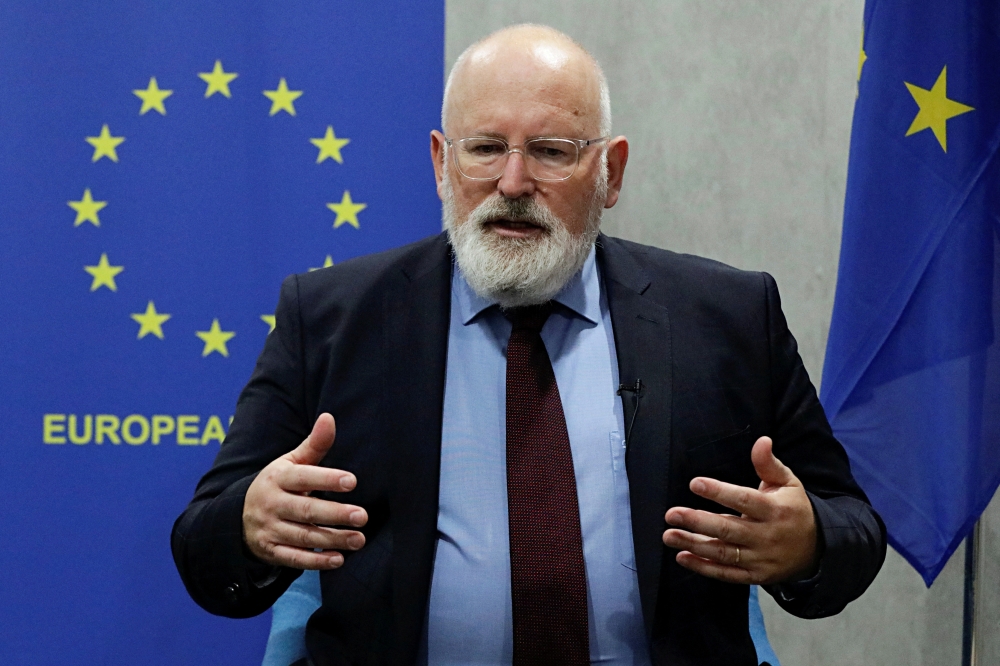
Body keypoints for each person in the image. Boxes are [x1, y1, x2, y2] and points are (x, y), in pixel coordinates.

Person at [172, 24, 886, 666]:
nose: (513, 184)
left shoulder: (728, 315)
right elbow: (204, 551)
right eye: (485, 148)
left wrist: (808, 543)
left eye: (551, 151)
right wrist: (250, 525)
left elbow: (852, 526)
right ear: (440, 162)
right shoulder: (331, 317)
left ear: (611, 172)